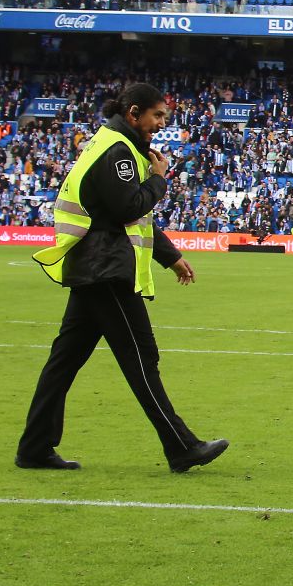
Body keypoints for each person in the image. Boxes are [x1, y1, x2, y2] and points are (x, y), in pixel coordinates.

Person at [16, 82, 229, 473]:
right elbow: (129, 206)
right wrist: (160, 178)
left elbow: (128, 215)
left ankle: (34, 448)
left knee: (63, 363)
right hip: (106, 271)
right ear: (134, 113)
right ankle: (181, 446)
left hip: (93, 267)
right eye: (157, 116)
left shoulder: (111, 144)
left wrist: (171, 257)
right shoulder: (119, 152)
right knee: (140, 358)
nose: (161, 124)